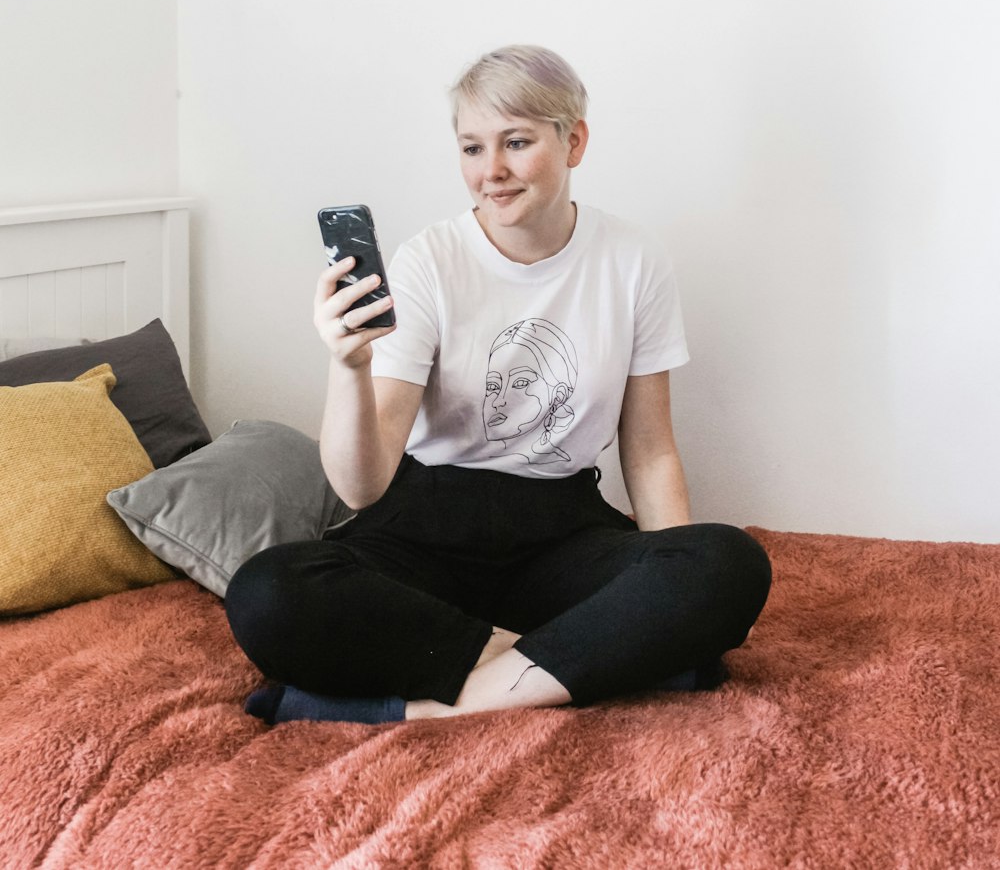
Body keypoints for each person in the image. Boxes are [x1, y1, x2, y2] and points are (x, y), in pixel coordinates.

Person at [225, 45, 771, 725]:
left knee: (729, 562)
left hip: (563, 533)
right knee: (266, 591)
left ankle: (431, 708)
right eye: (472, 148)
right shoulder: (430, 259)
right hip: (424, 528)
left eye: (516, 142)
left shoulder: (633, 260)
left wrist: (674, 577)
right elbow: (361, 488)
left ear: (574, 140)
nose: (492, 172)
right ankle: (568, 664)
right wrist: (349, 366)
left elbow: (651, 451)